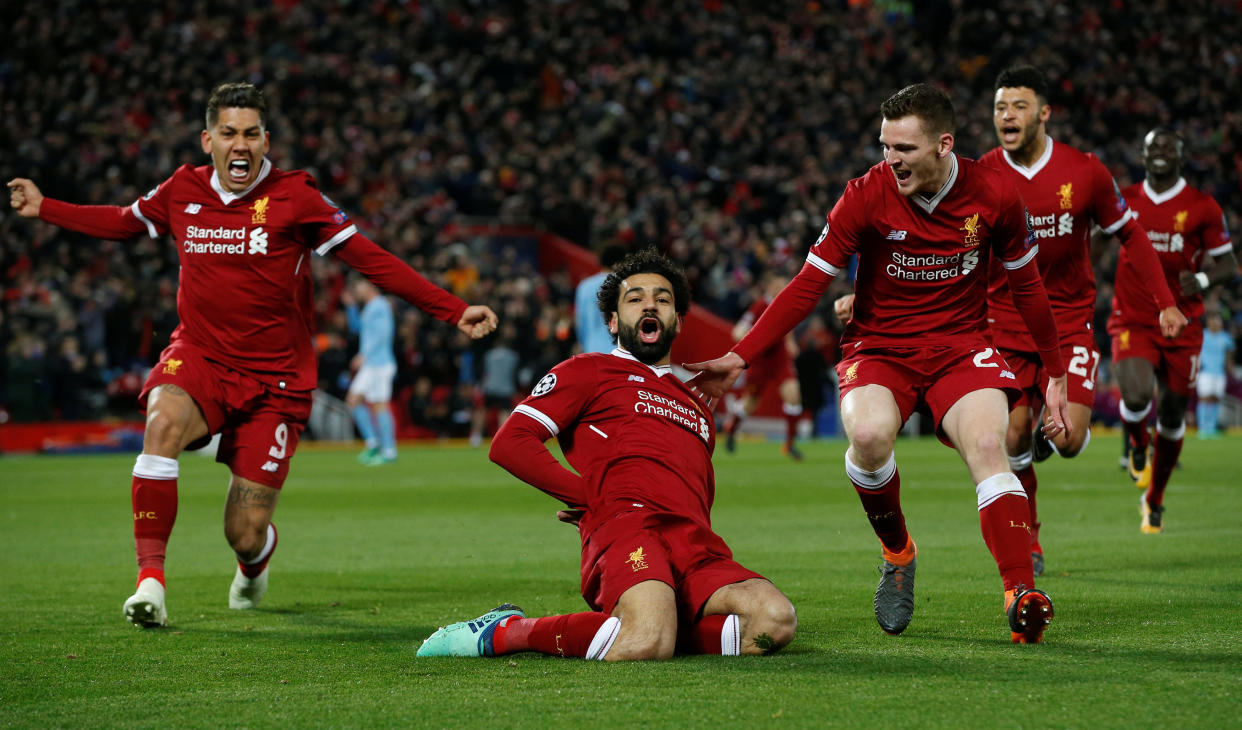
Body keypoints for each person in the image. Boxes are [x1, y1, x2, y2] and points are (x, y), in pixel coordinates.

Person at [7, 82, 498, 629]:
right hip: (201, 355)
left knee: (242, 531)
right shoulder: (182, 190)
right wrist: (45, 207)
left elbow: (370, 259)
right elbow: (125, 222)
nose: (239, 145)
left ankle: (255, 558)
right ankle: (151, 581)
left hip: (275, 381)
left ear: (266, 140)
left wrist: (452, 309)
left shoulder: (296, 199)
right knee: (161, 420)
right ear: (207, 139)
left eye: (250, 134)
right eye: (228, 133)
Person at [687, 83, 1068, 643]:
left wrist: (1055, 372)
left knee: (990, 447)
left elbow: (1029, 288)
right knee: (867, 438)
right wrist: (741, 356)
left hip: (961, 347)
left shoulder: (994, 195)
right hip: (880, 348)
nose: (892, 161)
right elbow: (806, 286)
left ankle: (1020, 593)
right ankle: (898, 553)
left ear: (944, 144)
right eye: (886, 147)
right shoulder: (865, 194)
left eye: (905, 149)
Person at [417, 249, 796, 660]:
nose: (650, 304)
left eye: (663, 299)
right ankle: (508, 632)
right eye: (634, 299)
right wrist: (589, 497)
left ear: (678, 321)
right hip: (628, 529)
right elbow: (512, 442)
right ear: (613, 321)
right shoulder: (587, 370)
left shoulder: (698, 405)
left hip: (695, 542)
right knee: (646, 641)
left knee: (774, 622)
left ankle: (655, 624)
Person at [979, 67, 1186, 571]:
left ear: (1044, 113)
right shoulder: (980, 174)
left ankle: (1049, 443)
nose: (1007, 115)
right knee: (1011, 436)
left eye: (1019, 106)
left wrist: (1165, 301)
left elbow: (1132, 236)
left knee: (1068, 440)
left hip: (1068, 321)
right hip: (1005, 323)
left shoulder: (1086, 172)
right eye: (1001, 107)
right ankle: (1029, 535)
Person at [1102, 127, 1236, 532]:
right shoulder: (1123, 198)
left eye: (1168, 146)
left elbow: (1227, 263)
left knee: (1175, 411)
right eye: (1152, 146)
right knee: (1138, 392)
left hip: (1184, 323)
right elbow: (1092, 234)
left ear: (1181, 155)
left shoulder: (1203, 206)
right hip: (1133, 318)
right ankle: (1139, 442)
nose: (1160, 151)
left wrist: (1207, 282)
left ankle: (1154, 498)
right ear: (1142, 156)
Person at [721, 272, 805, 460]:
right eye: (780, 284)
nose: (783, 287)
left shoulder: (784, 303)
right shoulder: (759, 306)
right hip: (760, 362)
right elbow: (738, 331)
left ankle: (790, 445)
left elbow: (785, 325)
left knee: (793, 396)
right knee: (750, 403)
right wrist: (753, 343)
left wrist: (790, 342)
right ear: (770, 286)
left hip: (780, 359)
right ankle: (731, 430)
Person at [343, 277, 399, 465]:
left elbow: (383, 333)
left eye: (359, 286)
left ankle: (388, 450)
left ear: (369, 286)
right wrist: (351, 307)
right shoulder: (369, 308)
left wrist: (364, 354)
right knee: (354, 400)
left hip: (379, 363)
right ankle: (374, 443)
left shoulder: (380, 305)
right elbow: (357, 329)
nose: (357, 291)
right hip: (372, 364)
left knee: (379, 405)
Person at [574, 244, 627, 354]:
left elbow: (580, 324)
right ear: (622, 262)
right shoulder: (626, 285)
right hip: (621, 352)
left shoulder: (584, 286)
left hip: (592, 350)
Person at [1197, 312, 1235, 439]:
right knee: (1204, 398)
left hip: (1219, 372)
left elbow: (1230, 352)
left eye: (1218, 320)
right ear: (1208, 322)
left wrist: (1229, 366)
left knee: (1216, 399)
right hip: (1205, 371)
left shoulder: (1225, 337)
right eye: (1213, 320)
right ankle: (1203, 428)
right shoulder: (1202, 335)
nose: (1216, 323)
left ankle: (1212, 428)